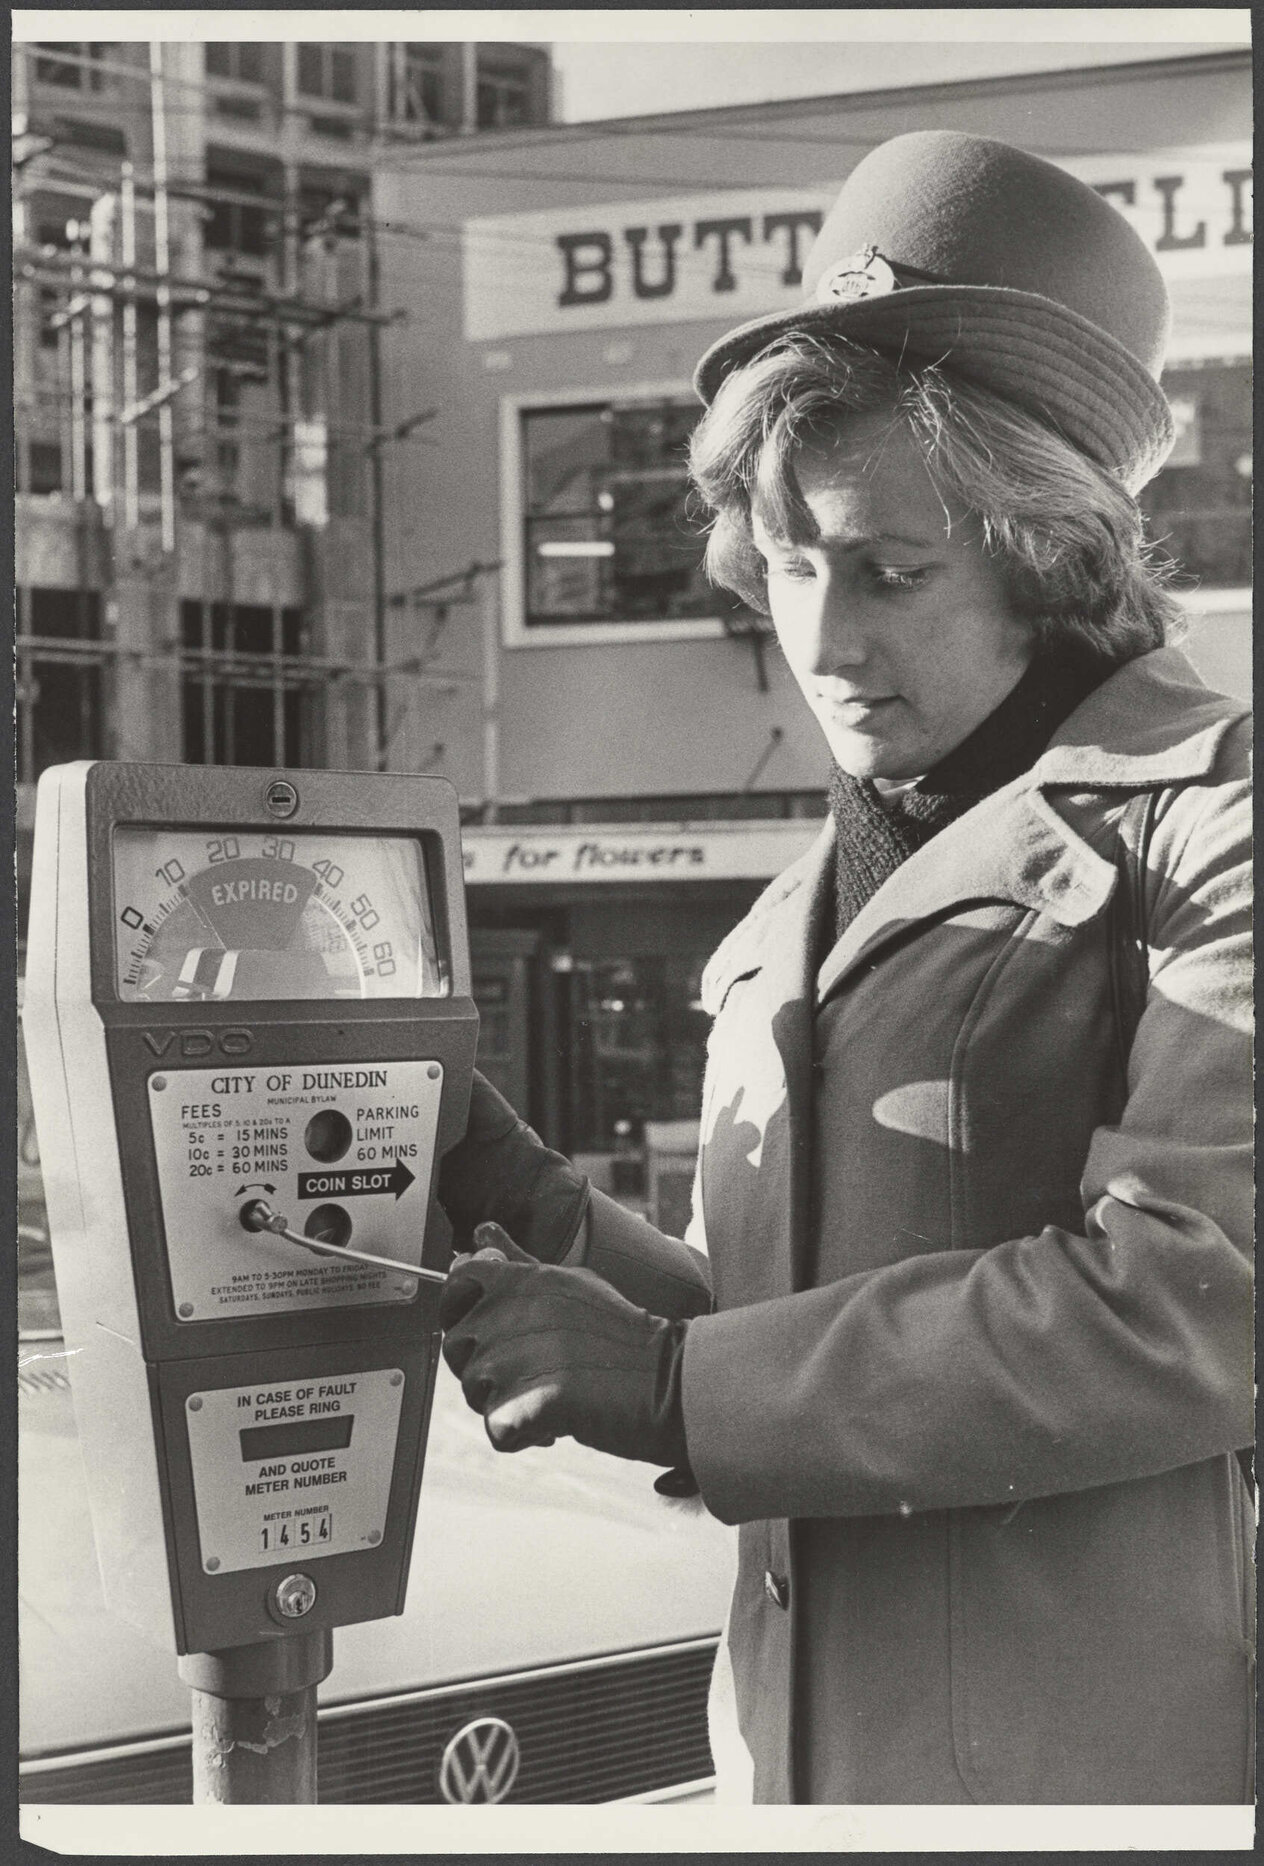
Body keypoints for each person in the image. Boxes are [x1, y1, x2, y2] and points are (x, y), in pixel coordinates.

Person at [436, 132, 1253, 1805]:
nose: (820, 643)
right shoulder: (798, 900)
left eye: (890, 572)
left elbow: (1202, 1297)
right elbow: (783, 1342)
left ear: (1051, 555)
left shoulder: (1215, 821)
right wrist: (541, 1209)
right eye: (789, 564)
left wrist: (669, 1384)